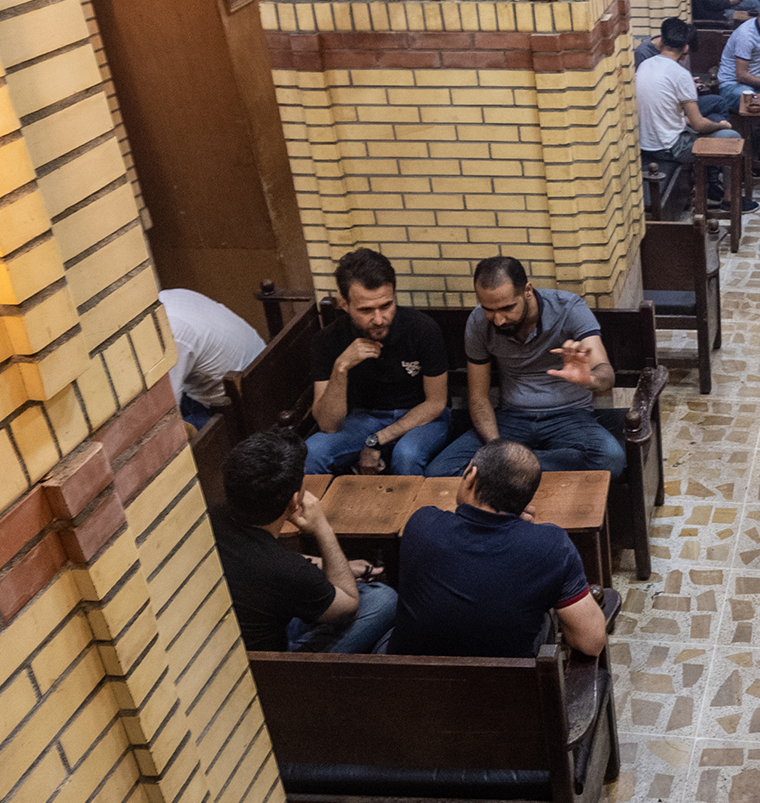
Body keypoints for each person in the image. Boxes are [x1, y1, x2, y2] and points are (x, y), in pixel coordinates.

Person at [392, 440, 608, 657]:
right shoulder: (552, 545)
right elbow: (591, 643)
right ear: (526, 496)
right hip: (505, 678)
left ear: (471, 476)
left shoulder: (421, 523)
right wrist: (521, 528)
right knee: (545, 611)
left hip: (412, 677)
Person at [425, 257, 625, 478]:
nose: (498, 320)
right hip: (511, 418)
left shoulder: (568, 308)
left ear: (527, 290)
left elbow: (606, 374)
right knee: (439, 471)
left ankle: (518, 467)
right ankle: (517, 467)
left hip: (569, 415)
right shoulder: (478, 322)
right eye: (488, 309)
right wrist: (496, 448)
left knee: (610, 459)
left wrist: (590, 380)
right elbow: (478, 398)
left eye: (507, 308)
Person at [208, 431, 397, 653]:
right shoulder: (286, 570)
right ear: (293, 501)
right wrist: (322, 528)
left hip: (230, 635)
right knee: (384, 599)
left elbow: (257, 561)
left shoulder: (212, 518)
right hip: (268, 664)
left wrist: (324, 564)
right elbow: (348, 607)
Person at [305, 248, 451, 476]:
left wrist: (376, 440)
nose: (379, 319)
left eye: (386, 306)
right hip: (364, 417)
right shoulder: (327, 340)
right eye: (366, 310)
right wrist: (341, 368)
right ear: (344, 304)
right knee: (312, 452)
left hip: (422, 418)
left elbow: (436, 403)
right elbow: (328, 425)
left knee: (407, 455)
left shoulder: (422, 329)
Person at [636, 18, 759, 212]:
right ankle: (729, 199)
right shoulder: (679, 74)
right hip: (670, 147)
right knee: (732, 137)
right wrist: (722, 125)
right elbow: (699, 124)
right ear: (685, 48)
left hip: (645, 143)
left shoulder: (644, 65)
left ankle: (711, 182)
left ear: (662, 40)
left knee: (713, 114)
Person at [158, 288, 265, 428]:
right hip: (262, 371)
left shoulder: (172, 332)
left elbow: (166, 414)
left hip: (238, 408)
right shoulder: (170, 296)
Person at [706, 2, 760, 119]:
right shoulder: (746, 36)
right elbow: (742, 76)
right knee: (753, 102)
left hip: (754, 85)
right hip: (732, 86)